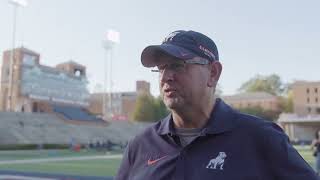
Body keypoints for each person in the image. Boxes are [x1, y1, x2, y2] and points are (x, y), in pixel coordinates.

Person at [115, 30, 318, 180]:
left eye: (177, 65)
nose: (166, 77)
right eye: (161, 68)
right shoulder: (140, 145)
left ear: (213, 73)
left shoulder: (261, 138)